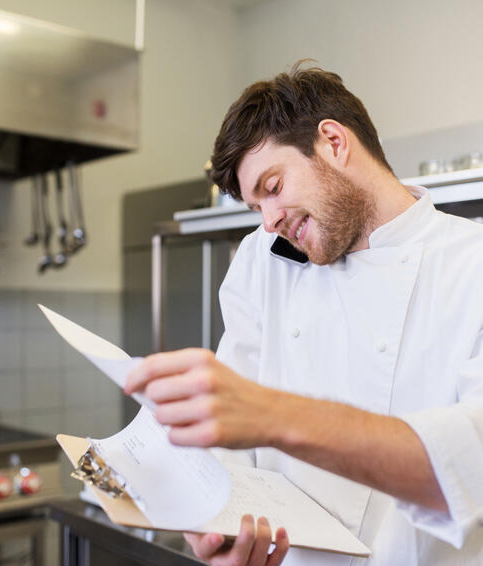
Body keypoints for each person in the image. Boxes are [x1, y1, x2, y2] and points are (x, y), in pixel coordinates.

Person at [125, 61, 483, 565]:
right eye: (255, 208)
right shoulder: (261, 258)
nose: (269, 221)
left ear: (334, 143)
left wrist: (273, 415)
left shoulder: (472, 263)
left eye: (272, 188)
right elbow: (230, 440)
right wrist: (215, 525)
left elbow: (472, 461)